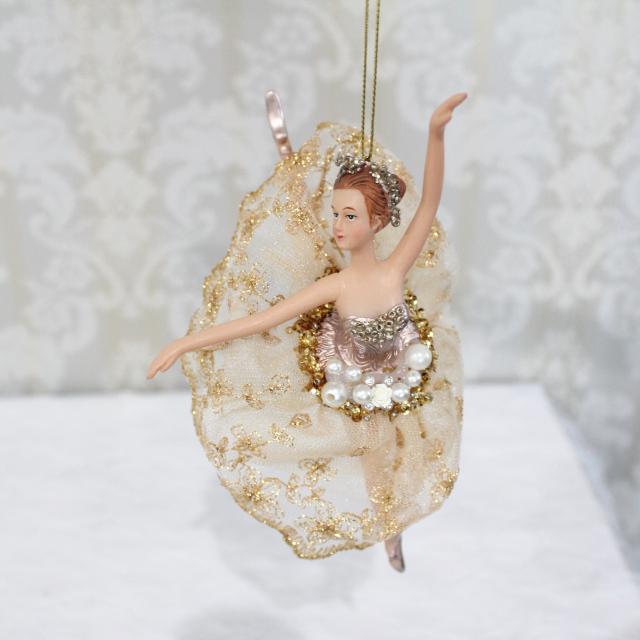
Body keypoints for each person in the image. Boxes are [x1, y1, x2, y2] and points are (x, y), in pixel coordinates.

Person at [147, 93, 467, 572]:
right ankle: (389, 531)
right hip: (351, 386)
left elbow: (430, 205)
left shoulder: (394, 271)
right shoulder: (336, 285)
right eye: (335, 213)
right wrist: (185, 343)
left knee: (401, 460)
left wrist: (435, 132)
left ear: (378, 221)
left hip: (402, 380)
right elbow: (262, 321)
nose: (338, 225)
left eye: (350, 215)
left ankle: (394, 531)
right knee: (371, 462)